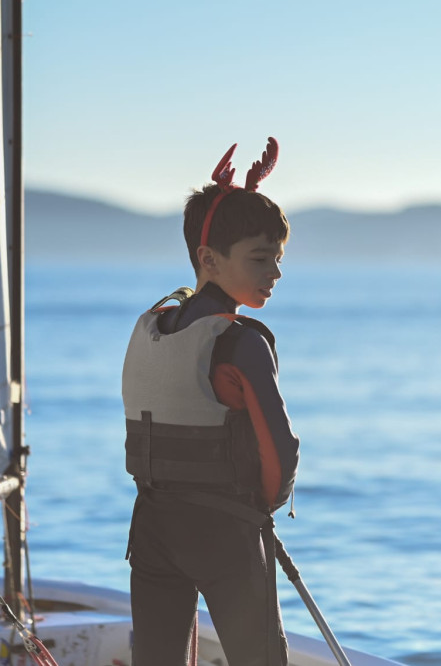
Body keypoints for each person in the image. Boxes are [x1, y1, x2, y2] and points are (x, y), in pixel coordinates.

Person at [122, 137, 300, 666]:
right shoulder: (240, 343)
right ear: (208, 258)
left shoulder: (150, 327)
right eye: (260, 258)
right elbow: (281, 451)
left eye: (278, 258)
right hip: (225, 532)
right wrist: (262, 510)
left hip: (152, 528)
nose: (275, 272)